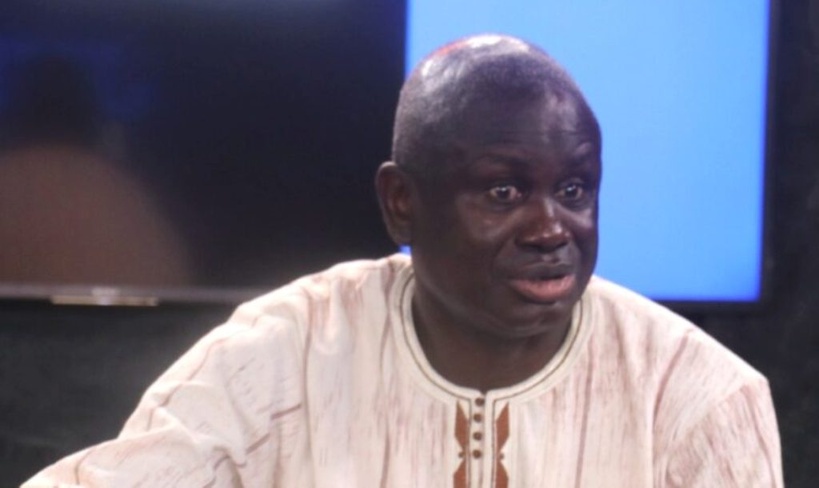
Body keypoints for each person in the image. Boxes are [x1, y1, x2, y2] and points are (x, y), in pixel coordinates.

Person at [22, 34, 783, 487]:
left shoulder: (695, 398)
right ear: (401, 203)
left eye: (574, 189)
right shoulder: (281, 357)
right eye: (504, 190)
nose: (552, 228)